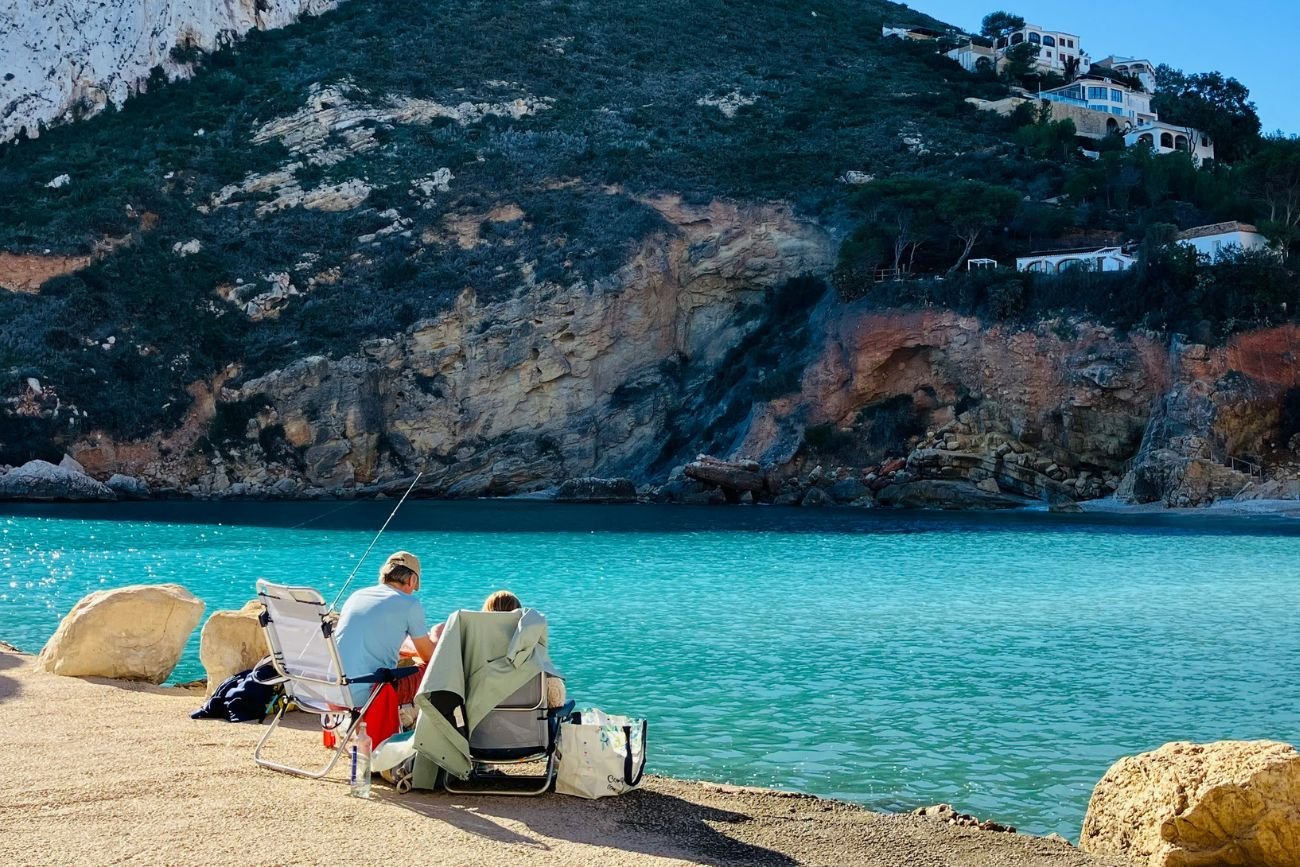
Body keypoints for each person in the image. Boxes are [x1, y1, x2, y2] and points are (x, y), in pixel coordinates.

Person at [334, 551, 436, 746]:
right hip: (370, 692)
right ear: (412, 580)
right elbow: (429, 655)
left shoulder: (357, 596)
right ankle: (415, 725)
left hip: (334, 689)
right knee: (434, 668)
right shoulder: (409, 603)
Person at [481, 589, 566, 707]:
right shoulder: (532, 653)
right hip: (531, 716)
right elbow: (555, 700)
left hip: (482, 716)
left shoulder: (474, 654)